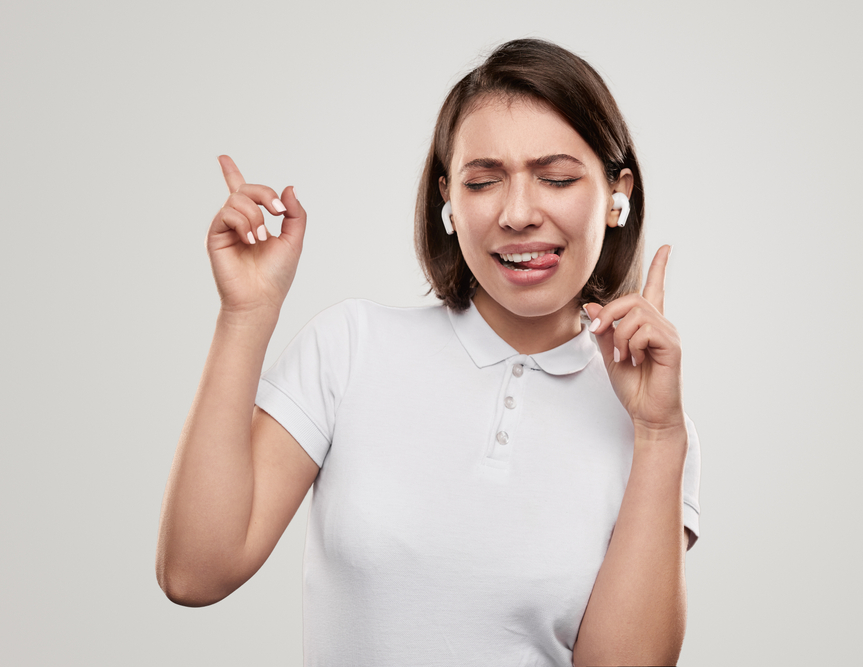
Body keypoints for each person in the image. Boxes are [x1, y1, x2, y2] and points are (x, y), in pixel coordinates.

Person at [156, 38, 701, 667]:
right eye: (483, 181)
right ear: (448, 200)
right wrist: (245, 316)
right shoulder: (352, 348)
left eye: (556, 178)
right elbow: (194, 574)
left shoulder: (655, 424)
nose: (519, 213)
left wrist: (659, 436)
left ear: (616, 194)